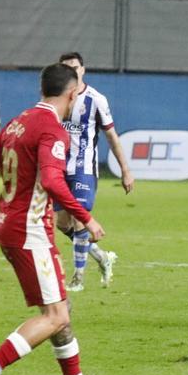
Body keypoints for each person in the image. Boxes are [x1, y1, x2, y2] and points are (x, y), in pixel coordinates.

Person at [0, 62, 120, 375]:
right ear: (72, 93)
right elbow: (51, 181)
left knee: (60, 308)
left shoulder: (19, 122)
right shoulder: (52, 129)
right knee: (56, 316)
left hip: (13, 226)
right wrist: (86, 218)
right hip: (31, 232)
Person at [53, 51, 135, 292]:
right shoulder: (55, 100)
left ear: (83, 70)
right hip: (57, 170)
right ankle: (102, 257)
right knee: (59, 222)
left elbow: (111, 135)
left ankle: (78, 278)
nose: (71, 71)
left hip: (83, 170)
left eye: (75, 67)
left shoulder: (96, 99)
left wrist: (126, 170)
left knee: (79, 218)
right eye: (66, 67)